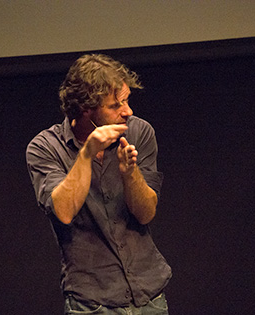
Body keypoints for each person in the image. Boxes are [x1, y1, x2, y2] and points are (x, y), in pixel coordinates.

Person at [26, 54, 172, 314]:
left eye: (126, 100)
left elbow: (146, 212)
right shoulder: (45, 147)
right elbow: (63, 211)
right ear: (86, 110)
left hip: (148, 295)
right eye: (116, 105)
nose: (128, 111)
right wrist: (87, 153)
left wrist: (130, 174)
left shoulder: (139, 132)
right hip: (92, 301)